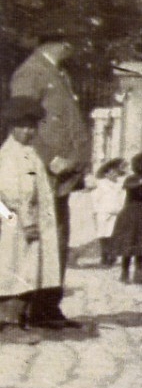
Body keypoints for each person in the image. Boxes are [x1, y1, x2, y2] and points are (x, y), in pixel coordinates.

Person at [10, 27, 91, 329]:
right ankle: (21, 311)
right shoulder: (31, 72)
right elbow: (22, 119)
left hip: (63, 175)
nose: (72, 47)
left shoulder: (59, 74)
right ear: (58, 42)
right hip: (43, 169)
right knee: (35, 237)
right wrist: (50, 157)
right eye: (70, 41)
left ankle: (47, 307)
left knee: (57, 238)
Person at [0, 97, 62, 341]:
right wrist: (27, 222)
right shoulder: (9, 156)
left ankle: (20, 318)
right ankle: (9, 322)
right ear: (11, 126)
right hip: (16, 222)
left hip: (26, 220)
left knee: (28, 269)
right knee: (15, 268)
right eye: (23, 126)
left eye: (32, 126)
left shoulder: (28, 153)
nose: (29, 131)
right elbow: (17, 193)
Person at [109, 153, 142, 284]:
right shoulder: (131, 179)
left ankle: (139, 274)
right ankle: (124, 274)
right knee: (129, 243)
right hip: (133, 213)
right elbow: (130, 187)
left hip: (140, 213)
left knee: (141, 244)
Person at [89, 158, 127, 266]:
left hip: (116, 212)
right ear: (106, 173)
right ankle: (105, 256)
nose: (114, 174)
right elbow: (95, 198)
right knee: (103, 235)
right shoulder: (101, 184)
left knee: (114, 235)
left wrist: (121, 208)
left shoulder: (120, 185)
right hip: (103, 212)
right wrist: (96, 211)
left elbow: (123, 198)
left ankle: (112, 256)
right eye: (111, 172)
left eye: (116, 172)